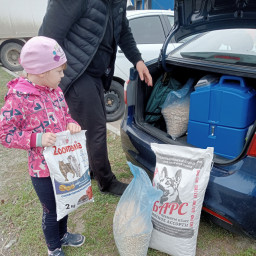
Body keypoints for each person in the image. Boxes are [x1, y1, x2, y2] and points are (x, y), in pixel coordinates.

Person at [38, 0, 153, 196]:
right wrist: (48, 76)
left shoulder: (118, 2)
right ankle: (106, 181)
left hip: (98, 73)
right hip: (75, 72)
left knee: (88, 127)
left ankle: (91, 169)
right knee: (96, 129)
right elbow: (48, 36)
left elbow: (123, 30)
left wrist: (138, 60)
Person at [0, 36, 84, 256]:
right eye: (59, 71)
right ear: (42, 71)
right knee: (51, 209)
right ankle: (53, 248)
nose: (63, 76)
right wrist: (36, 139)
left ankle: (63, 235)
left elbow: (65, 115)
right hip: (42, 170)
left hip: (62, 163)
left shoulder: (55, 91)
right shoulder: (18, 98)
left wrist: (72, 124)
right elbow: (5, 133)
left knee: (65, 201)